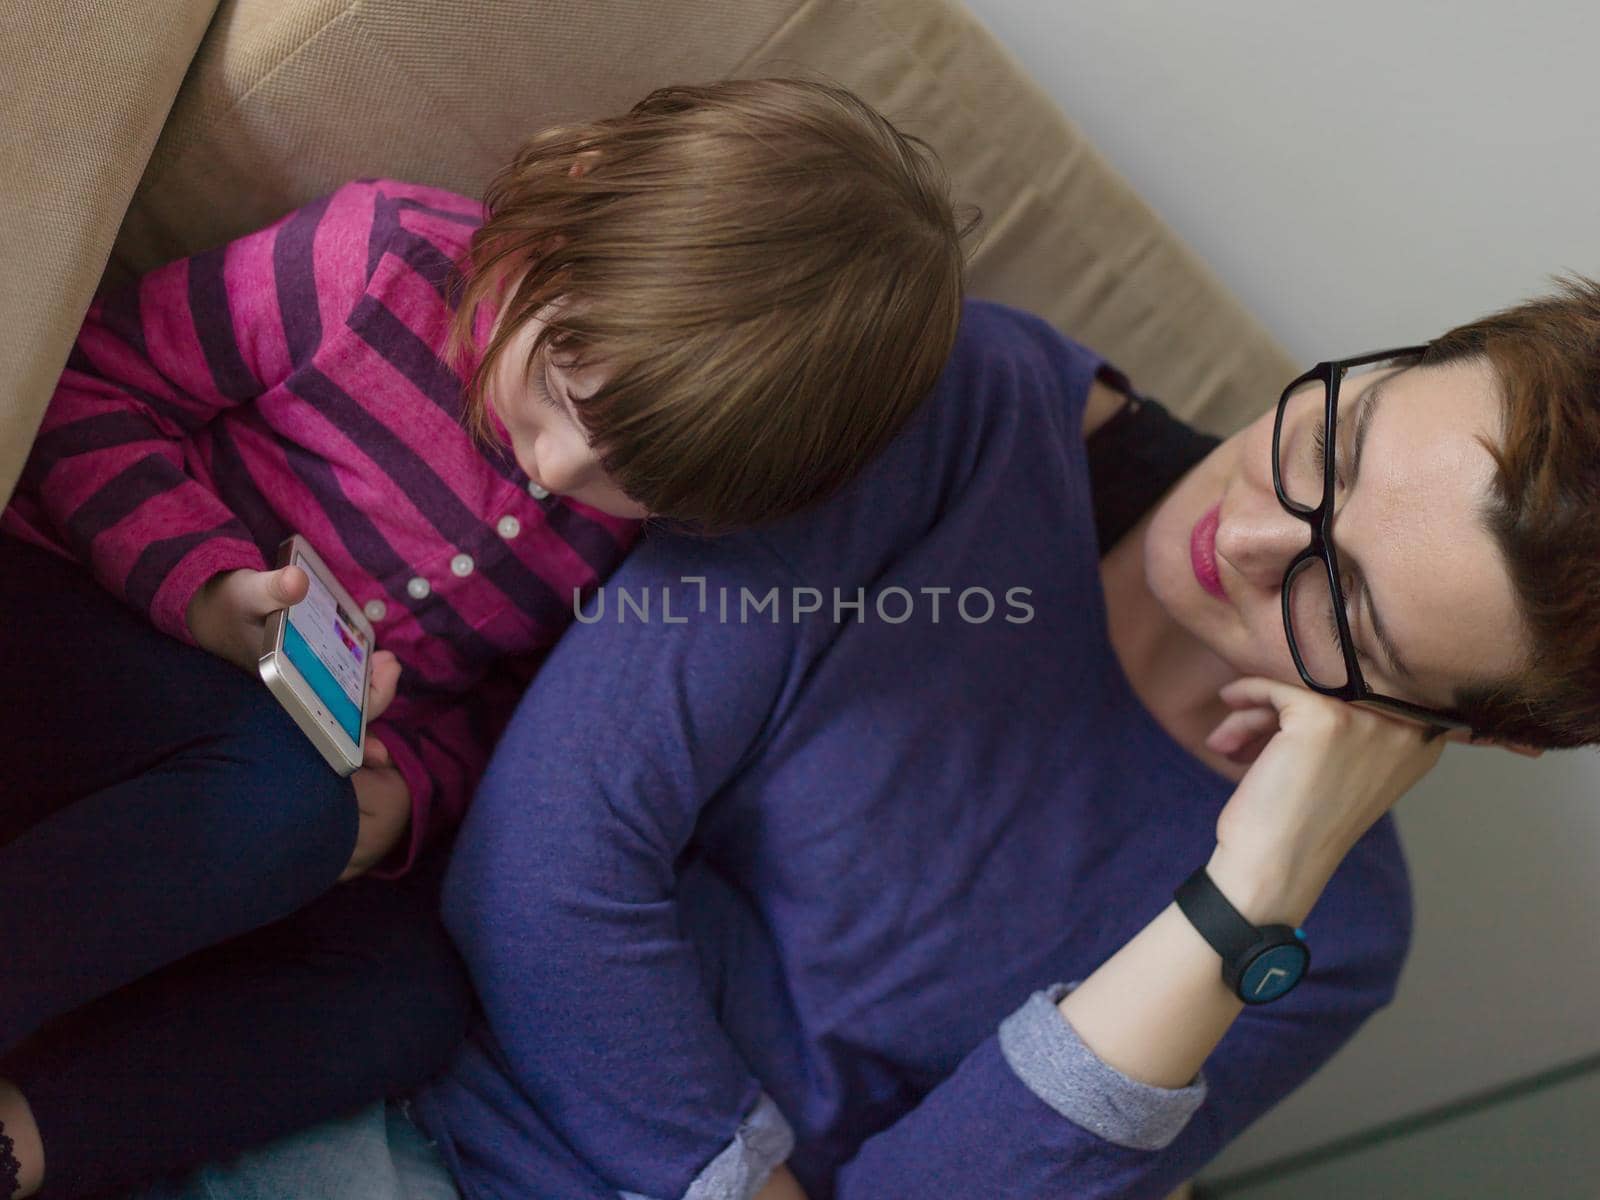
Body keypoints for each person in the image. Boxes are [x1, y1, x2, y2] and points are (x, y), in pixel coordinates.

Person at [153, 274, 1600, 1200]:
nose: (1259, 531)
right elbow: (539, 863)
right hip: (372, 1098)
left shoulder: (1325, 932)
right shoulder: (956, 401)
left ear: (1462, 728)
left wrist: (1245, 895)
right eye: (1335, 444)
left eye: (1344, 603)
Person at [0, 77, 972, 1200]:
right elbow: (85, 392)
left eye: (636, 483)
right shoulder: (376, 264)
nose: (560, 473)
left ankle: (25, 1139)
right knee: (281, 797)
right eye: (562, 392)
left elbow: (504, 715)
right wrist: (206, 584)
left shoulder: (638, 539)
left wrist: (409, 794)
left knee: (411, 996)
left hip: (256, 806)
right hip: (81, 627)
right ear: (568, 210)